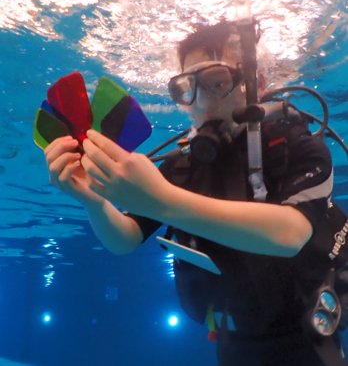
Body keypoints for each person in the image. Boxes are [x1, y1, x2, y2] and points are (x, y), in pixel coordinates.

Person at [44, 20, 345, 366]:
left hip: (305, 339)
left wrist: (163, 200)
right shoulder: (181, 168)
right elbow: (124, 239)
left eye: (217, 82)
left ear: (256, 84)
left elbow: (291, 233)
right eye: (188, 88)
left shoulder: (298, 147)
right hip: (232, 339)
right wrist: (93, 200)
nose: (201, 101)